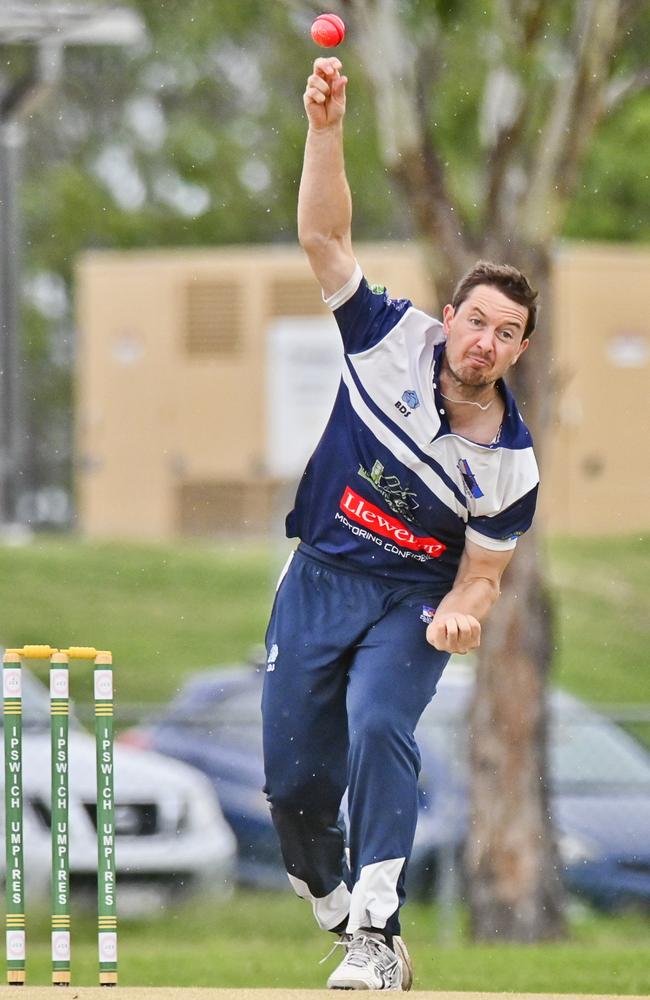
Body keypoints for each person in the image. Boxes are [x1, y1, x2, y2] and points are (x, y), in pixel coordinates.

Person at [262, 56, 539, 992]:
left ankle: (378, 934)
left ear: (518, 350)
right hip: (318, 578)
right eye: (478, 321)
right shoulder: (386, 335)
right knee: (295, 790)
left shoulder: (511, 462)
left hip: (413, 598)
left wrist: (466, 607)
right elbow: (323, 235)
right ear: (450, 315)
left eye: (507, 334)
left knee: (382, 721)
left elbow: (484, 574)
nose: (485, 341)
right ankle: (337, 909)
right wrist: (327, 125)